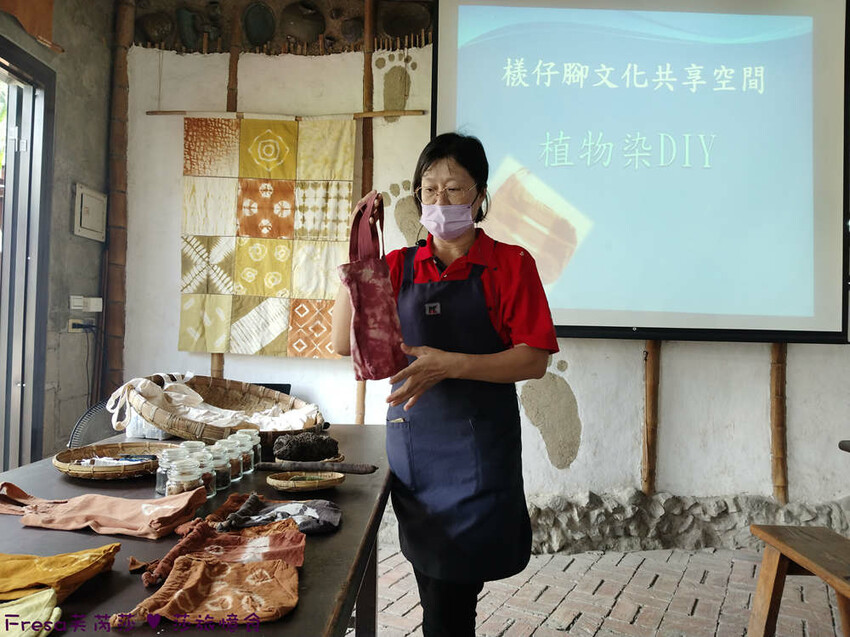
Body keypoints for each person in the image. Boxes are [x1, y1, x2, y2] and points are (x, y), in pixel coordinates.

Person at [332, 133, 559, 636]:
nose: (440, 200)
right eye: (429, 189)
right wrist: (359, 253)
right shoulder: (397, 267)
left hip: (479, 454)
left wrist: (450, 365)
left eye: (454, 188)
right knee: (438, 589)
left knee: (449, 597)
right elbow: (343, 343)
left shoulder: (510, 264)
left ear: (480, 196)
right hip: (417, 452)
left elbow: (533, 359)